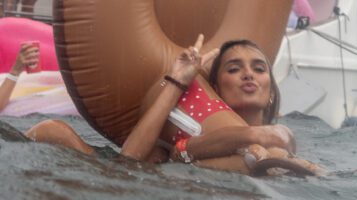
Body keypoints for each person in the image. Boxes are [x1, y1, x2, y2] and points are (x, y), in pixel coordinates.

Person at [26, 37, 323, 176]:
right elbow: (130, 159)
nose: (248, 74)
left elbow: (278, 142)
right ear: (216, 90)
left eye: (259, 68)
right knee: (51, 131)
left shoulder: (282, 139)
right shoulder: (182, 136)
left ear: (272, 90)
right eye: (233, 68)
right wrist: (179, 81)